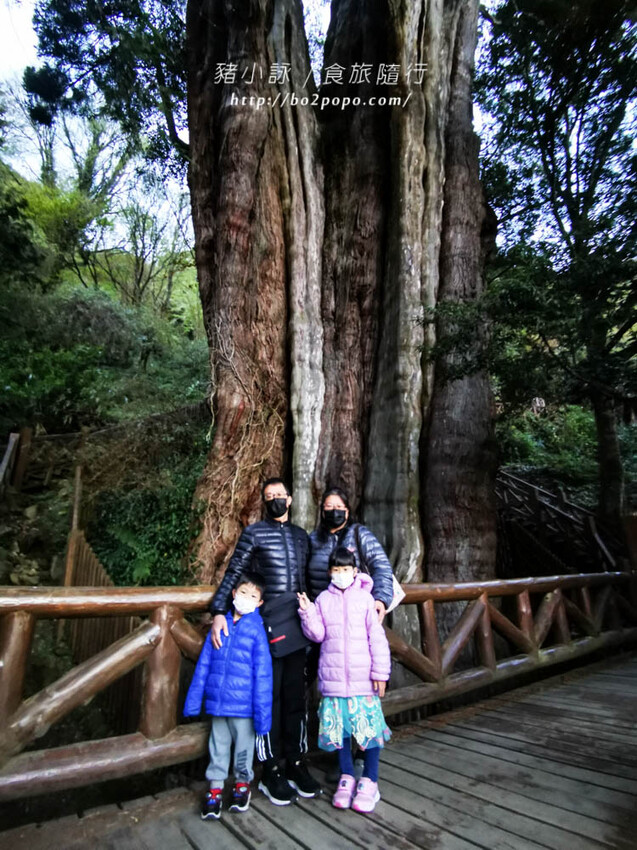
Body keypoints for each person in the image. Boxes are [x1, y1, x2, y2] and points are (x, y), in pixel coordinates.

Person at [209, 477, 321, 805]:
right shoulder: (254, 533)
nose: (276, 500)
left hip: (298, 626)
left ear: (290, 499)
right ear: (264, 501)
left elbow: (311, 580)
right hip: (266, 625)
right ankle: (270, 768)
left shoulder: (302, 537)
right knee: (267, 698)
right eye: (269, 496)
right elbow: (235, 572)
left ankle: (296, 761)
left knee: (294, 698)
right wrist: (219, 609)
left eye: (280, 495)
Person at [297, 546, 391, 813]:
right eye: (336, 570)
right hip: (334, 678)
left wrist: (380, 674)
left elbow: (378, 639)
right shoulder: (323, 600)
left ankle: (370, 781)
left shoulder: (365, 599)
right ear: (330, 572)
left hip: (363, 679)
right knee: (341, 731)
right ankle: (347, 776)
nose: (341, 574)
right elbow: (317, 634)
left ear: (355, 571)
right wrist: (307, 612)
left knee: (368, 731)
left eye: (346, 570)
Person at [184, 571, 273, 820]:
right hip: (218, 705)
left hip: (244, 708)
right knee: (217, 748)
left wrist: (262, 718)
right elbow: (203, 666)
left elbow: (263, 676)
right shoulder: (220, 626)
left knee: (243, 751)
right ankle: (214, 790)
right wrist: (193, 703)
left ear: (259, 603)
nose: (246, 598)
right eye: (243, 592)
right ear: (233, 594)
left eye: (253, 596)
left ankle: (242, 786)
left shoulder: (257, 632)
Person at [308, 487, 394, 623]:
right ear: (323, 512)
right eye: (329, 507)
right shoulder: (313, 539)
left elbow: (381, 567)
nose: (334, 511)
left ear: (347, 512)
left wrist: (380, 599)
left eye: (339, 506)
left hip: (356, 613)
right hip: (322, 613)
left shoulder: (360, 535)